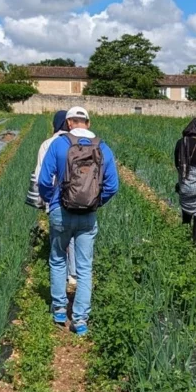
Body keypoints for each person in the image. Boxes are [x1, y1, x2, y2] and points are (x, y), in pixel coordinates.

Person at [38, 106, 119, 336]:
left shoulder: (59, 144)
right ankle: (81, 319)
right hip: (88, 216)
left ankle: (60, 310)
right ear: (88, 123)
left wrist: (51, 201)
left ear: (70, 123)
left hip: (60, 211)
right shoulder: (103, 147)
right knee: (84, 267)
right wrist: (96, 201)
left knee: (57, 259)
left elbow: (44, 180)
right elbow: (113, 186)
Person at [34, 110, 77, 286]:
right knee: (74, 236)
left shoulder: (48, 143)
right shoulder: (78, 143)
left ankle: (61, 277)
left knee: (58, 239)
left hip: (56, 198)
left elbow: (40, 176)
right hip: (77, 197)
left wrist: (45, 198)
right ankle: (73, 274)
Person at [174, 118, 196, 245]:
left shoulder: (181, 142)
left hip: (185, 183)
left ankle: (183, 239)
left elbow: (177, 164)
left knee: (186, 210)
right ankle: (195, 243)